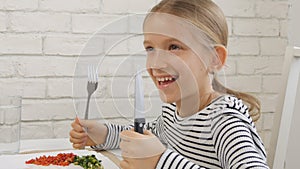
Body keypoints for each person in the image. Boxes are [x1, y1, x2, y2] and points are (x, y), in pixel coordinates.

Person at [69, 0, 269, 168]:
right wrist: (103, 134)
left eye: (174, 47)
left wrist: (160, 161)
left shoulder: (224, 121)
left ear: (214, 58)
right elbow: (147, 135)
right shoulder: (172, 113)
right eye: (150, 49)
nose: (156, 63)